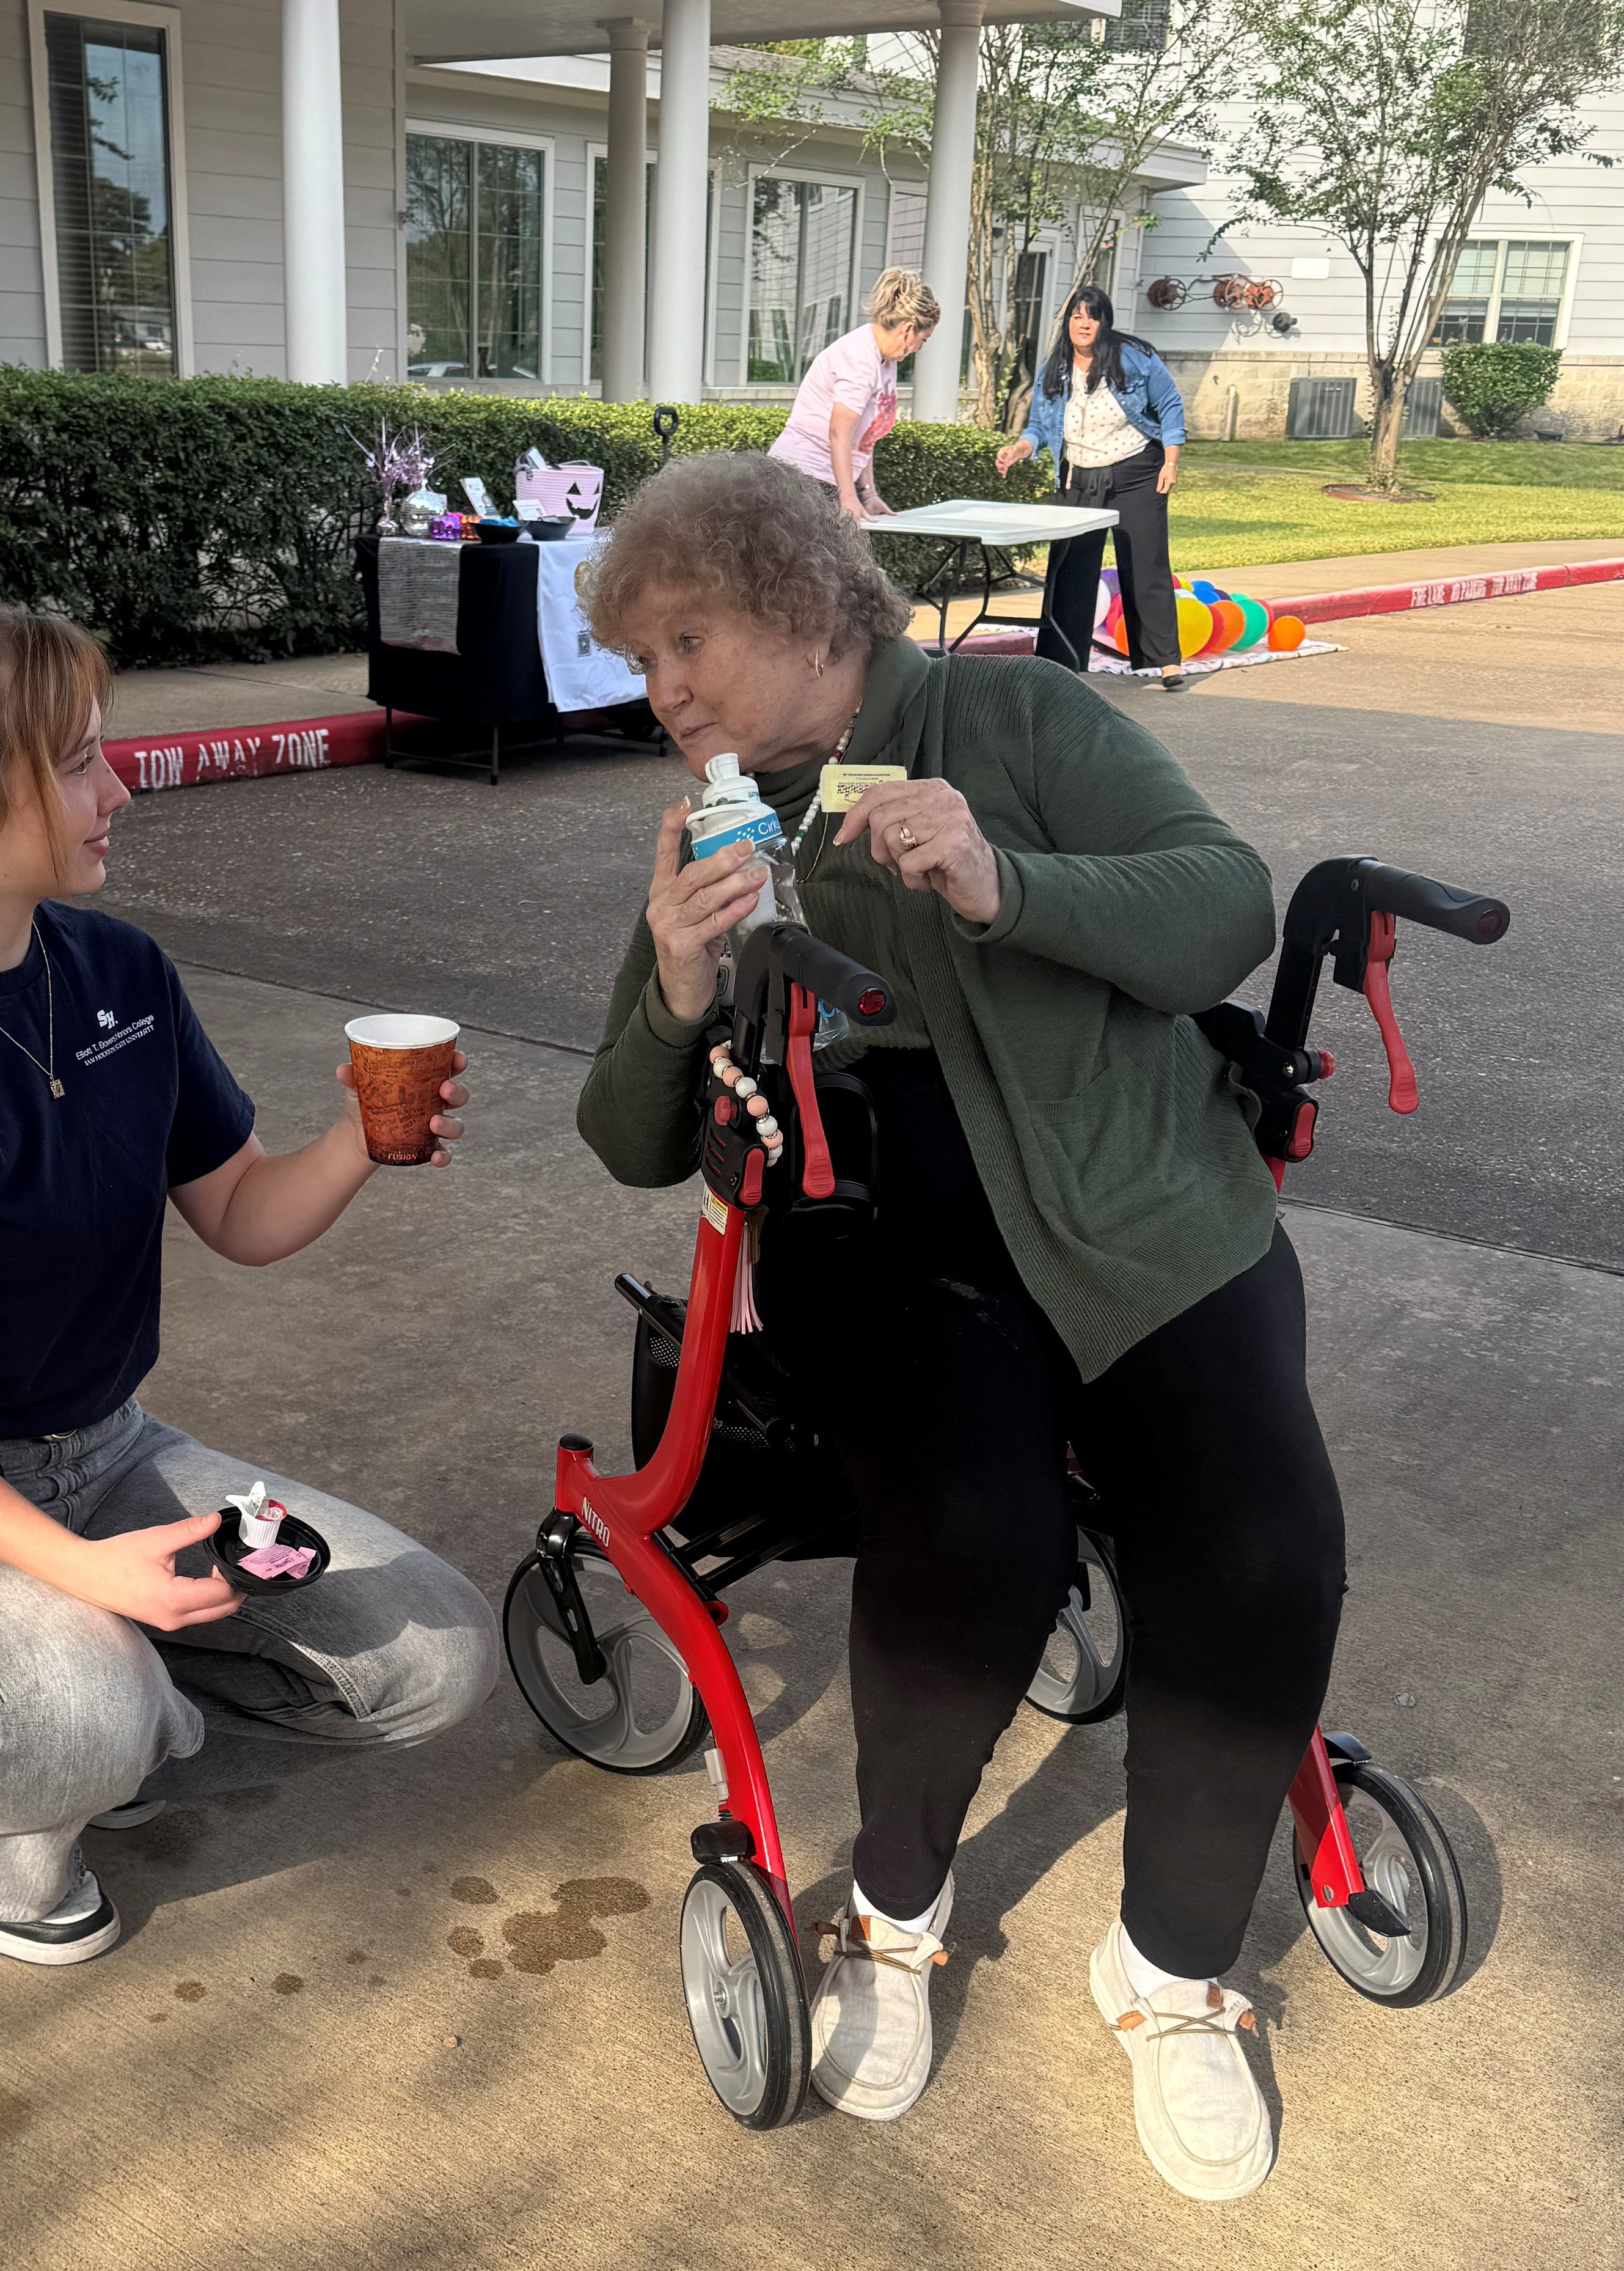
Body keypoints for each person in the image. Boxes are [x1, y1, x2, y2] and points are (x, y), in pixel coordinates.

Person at [573, 452, 1344, 2203]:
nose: (662, 690)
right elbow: (627, 1139)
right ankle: (893, 1910)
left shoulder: (1013, 718)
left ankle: (1172, 1970)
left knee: (1263, 1547)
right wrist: (679, 983)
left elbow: (1220, 900)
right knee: (975, 1537)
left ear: (798, 601)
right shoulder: (715, 819)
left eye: (683, 639)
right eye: (642, 661)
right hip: (878, 1229)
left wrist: (1008, 883)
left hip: (1146, 1201)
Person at [0, 601, 499, 1967]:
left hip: (111, 1454)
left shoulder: (117, 972)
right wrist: (82, 1576)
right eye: (84, 760)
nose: (120, 784)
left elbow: (240, 1212)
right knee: (86, 1713)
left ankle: (99, 1704)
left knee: (436, 1656)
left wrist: (360, 1138)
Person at [995, 284, 1190, 692]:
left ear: (1105, 322)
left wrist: (1171, 459)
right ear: (1068, 322)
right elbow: (1039, 426)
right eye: (1077, 316)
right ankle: (1059, 662)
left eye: (1093, 316)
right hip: (1077, 476)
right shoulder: (1057, 367)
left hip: (1137, 472)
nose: (1084, 323)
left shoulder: (1134, 358)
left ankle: (1164, 661)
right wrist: (1021, 448)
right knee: (1069, 569)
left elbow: (1170, 403)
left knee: (1145, 564)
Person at [767, 267, 941, 527]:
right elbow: (839, 432)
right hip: (800, 479)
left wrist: (867, 493)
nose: (918, 349)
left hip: (826, 481)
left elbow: (865, 436)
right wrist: (847, 498)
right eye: (923, 340)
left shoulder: (886, 361)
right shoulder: (860, 358)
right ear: (908, 329)